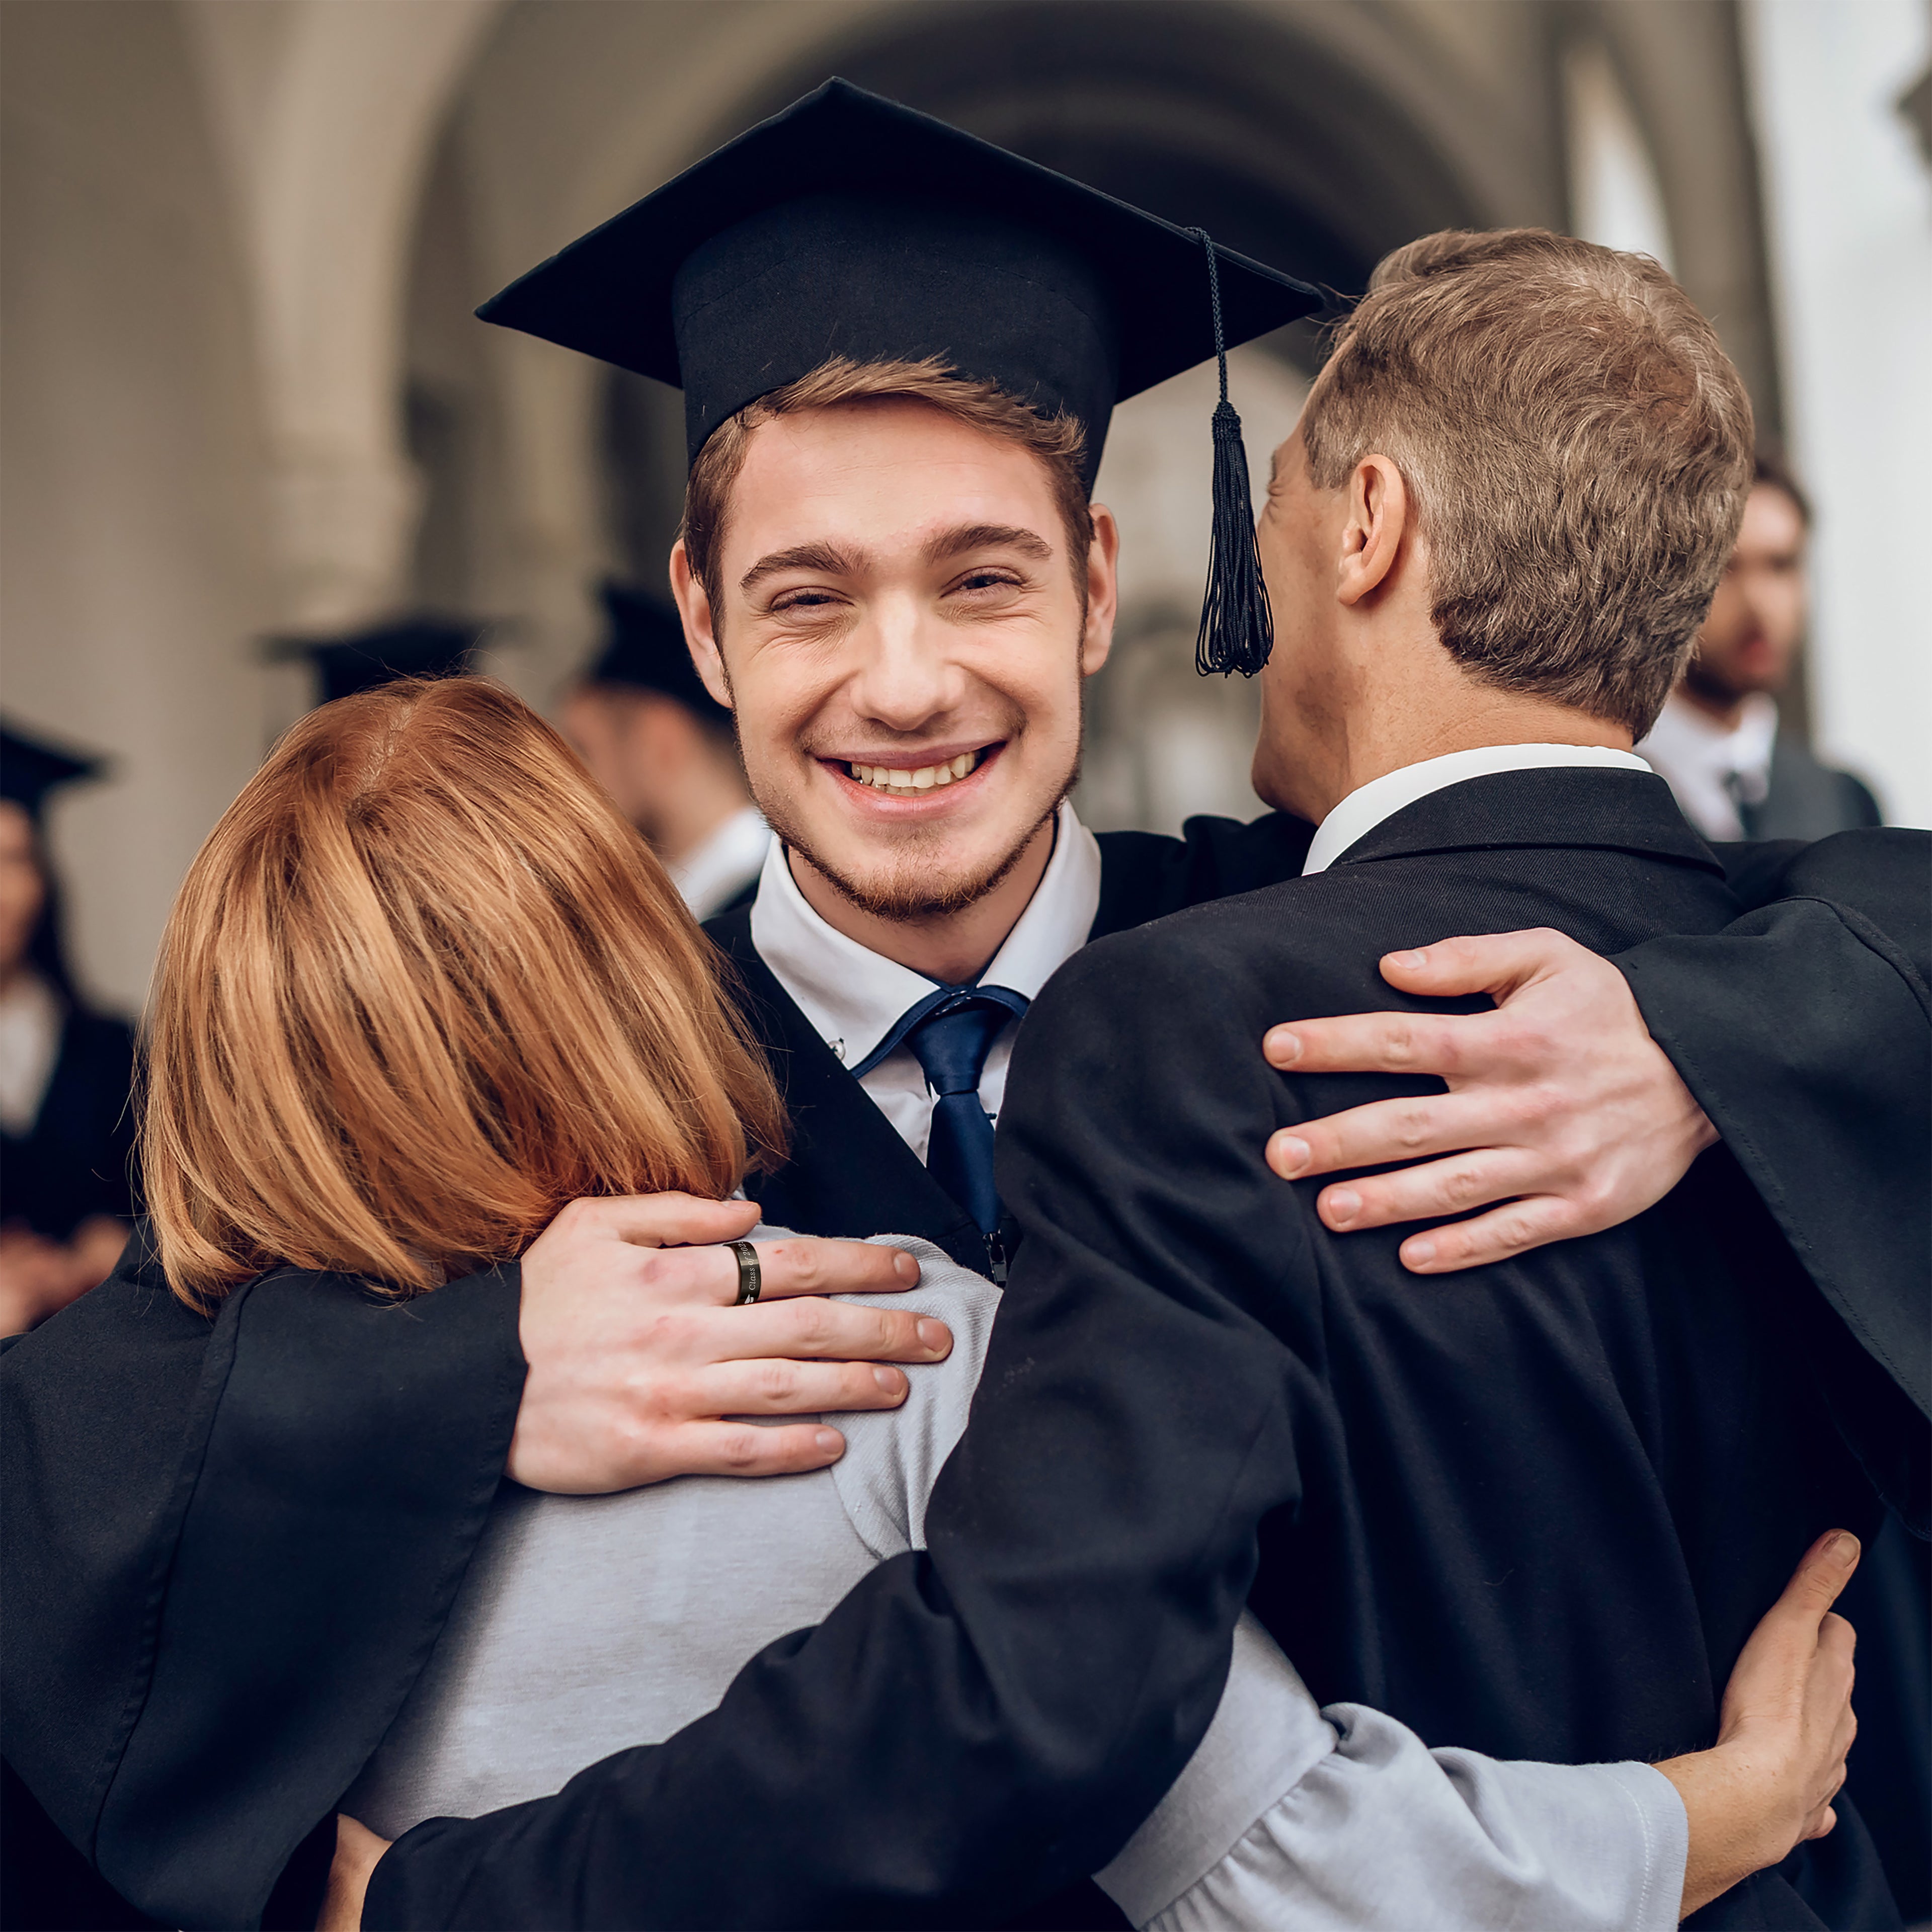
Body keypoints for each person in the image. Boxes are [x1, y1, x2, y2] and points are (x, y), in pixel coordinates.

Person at [4, 80, 1926, 1927]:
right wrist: (474, 1366)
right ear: (699, 621)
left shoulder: (1346, 961)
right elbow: (87, 1428)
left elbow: (1821, 892)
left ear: (1098, 586)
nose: (906, 684)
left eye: (981, 579)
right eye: (811, 598)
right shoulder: (571, 1083)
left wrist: (1716, 1041)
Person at [4, 676, 1853, 1932]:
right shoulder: (884, 1358)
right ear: (630, 967)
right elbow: (1291, 1868)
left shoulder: (171, 1542)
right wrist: (1727, 1809)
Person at [1639, 448, 1883, 841]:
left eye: (1781, 565)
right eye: (1725, 569)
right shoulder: (1612, 796)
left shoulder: (1843, 802)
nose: (1759, 603)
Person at [0, 725, 136, 1336]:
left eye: (13, 859)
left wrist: (112, 1254)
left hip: (97, 1357)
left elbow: (165, 1217)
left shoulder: (112, 1050)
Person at [560, 581, 769, 918]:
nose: (570, 779)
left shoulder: (774, 910)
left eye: (585, 751)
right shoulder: (683, 911)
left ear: (659, 744)